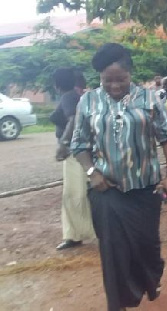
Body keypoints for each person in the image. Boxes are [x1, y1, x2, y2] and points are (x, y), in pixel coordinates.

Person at [71, 43, 167, 311]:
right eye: (108, 80)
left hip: (145, 190)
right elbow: (79, 144)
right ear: (100, 77)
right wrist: (91, 172)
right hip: (107, 191)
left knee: (147, 248)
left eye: (121, 79)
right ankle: (116, 304)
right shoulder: (88, 101)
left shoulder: (149, 98)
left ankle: (147, 279)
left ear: (131, 73)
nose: (115, 85)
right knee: (112, 251)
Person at [50, 68, 95, 250]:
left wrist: (64, 143)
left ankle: (75, 235)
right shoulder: (76, 96)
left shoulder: (69, 97)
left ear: (56, 84)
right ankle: (74, 233)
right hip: (80, 150)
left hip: (75, 152)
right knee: (81, 192)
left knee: (73, 194)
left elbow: (74, 118)